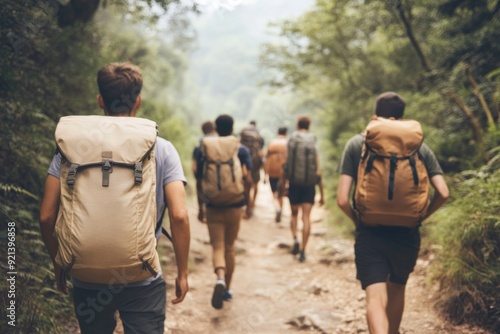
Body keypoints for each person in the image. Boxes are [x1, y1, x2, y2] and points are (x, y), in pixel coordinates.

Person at [39, 62, 191, 333]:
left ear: (100, 101)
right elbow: (179, 216)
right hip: (142, 275)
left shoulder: (69, 148)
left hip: (87, 276)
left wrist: (60, 264)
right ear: (138, 102)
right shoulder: (162, 148)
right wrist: (182, 272)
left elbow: (47, 215)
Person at [336, 92, 449, 334]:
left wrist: (360, 220)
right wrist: (419, 217)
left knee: (375, 297)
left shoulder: (358, 143)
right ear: (401, 117)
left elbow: (342, 199)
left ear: (375, 116)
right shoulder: (419, 146)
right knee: (397, 288)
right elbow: (443, 192)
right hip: (407, 232)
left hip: (370, 231)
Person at [195, 114, 252, 309]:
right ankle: (226, 288)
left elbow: (199, 180)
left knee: (217, 246)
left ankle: (219, 278)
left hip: (213, 205)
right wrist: (249, 204)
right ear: (232, 127)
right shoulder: (240, 149)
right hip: (235, 204)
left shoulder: (204, 148)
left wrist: (201, 207)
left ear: (217, 129)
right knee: (230, 246)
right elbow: (248, 179)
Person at [283, 116, 325, 262]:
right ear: (309, 125)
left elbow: (286, 164)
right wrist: (322, 194)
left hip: (294, 183)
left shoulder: (292, 140)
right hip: (309, 185)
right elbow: (318, 170)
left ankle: (295, 237)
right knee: (306, 217)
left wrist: (283, 185)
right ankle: (303, 250)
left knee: (294, 214)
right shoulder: (313, 141)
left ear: (297, 125)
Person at [192, 120, 217, 223]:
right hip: (214, 174)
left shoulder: (199, 145)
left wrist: (197, 176)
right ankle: (211, 212)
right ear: (214, 129)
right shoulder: (217, 141)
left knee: (200, 190)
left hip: (201, 173)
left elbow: (194, 166)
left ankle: (201, 211)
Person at [240, 120, 264, 218]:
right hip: (255, 163)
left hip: (244, 164)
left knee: (246, 186)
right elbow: (260, 152)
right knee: (255, 184)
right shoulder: (259, 136)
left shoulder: (243, 134)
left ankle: (248, 206)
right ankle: (252, 204)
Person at [264, 126, 288, 223]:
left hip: (272, 171)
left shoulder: (272, 143)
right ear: (286, 133)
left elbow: (266, 160)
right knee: (281, 194)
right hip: (283, 172)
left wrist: (265, 175)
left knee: (274, 193)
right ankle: (280, 212)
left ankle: (277, 208)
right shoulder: (287, 143)